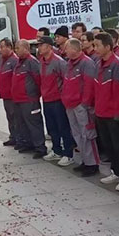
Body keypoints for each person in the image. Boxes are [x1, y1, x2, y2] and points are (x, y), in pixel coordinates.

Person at [93, 33, 119, 191]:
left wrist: (118, 112)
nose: (95, 48)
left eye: (97, 45)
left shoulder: (117, 64)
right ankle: (115, 172)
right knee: (109, 145)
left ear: (108, 47)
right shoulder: (98, 64)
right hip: (101, 112)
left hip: (114, 114)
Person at [62, 38, 99, 176]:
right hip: (70, 104)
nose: (64, 51)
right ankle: (85, 160)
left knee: (87, 134)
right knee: (77, 133)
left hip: (81, 105)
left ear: (75, 49)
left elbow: (89, 85)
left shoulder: (86, 63)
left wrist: (85, 104)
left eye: (67, 48)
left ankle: (92, 163)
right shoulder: (69, 64)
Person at [38, 36, 75, 166]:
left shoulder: (59, 62)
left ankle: (68, 154)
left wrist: (64, 96)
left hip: (58, 100)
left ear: (49, 46)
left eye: (41, 45)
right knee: (52, 127)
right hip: (46, 99)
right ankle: (56, 150)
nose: (39, 48)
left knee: (63, 127)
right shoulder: (41, 61)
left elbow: (66, 80)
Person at [10, 39, 46, 158]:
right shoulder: (19, 62)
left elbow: (38, 80)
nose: (16, 51)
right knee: (22, 124)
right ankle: (28, 143)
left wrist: (34, 95)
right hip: (19, 99)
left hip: (29, 100)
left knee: (34, 124)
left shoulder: (32, 62)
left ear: (26, 49)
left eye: (18, 48)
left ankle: (40, 147)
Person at [0, 38, 19, 147]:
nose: (0, 50)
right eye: (0, 47)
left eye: (2, 47)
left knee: (15, 117)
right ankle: (13, 137)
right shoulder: (1, 59)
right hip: (5, 94)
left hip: (12, 95)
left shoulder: (14, 60)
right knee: (9, 117)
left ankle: (19, 138)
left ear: (9, 47)